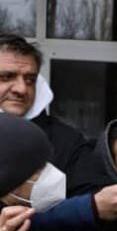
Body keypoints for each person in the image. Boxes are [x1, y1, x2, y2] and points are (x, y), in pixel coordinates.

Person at [0, 34, 91, 195]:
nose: (22, 89)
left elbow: (89, 197)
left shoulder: (68, 142)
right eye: (7, 77)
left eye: (30, 80)